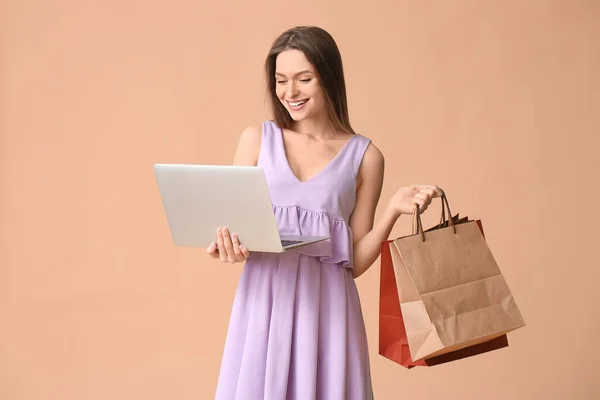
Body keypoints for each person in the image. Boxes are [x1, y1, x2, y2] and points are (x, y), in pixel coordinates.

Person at [208, 26, 441, 400]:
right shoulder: (256, 140)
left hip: (329, 312)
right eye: (281, 80)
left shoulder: (365, 157)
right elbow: (233, 231)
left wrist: (393, 211)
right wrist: (227, 247)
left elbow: (356, 261)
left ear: (328, 77)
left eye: (304, 79)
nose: (290, 92)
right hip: (265, 306)